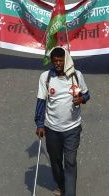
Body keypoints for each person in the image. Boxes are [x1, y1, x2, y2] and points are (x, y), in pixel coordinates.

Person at [35, 47, 90, 196]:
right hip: (52, 129)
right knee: (55, 161)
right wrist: (40, 124)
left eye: (61, 60)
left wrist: (81, 99)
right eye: (55, 61)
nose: (58, 63)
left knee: (70, 162)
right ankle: (61, 184)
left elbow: (86, 94)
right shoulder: (46, 78)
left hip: (72, 128)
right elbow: (41, 102)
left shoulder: (76, 76)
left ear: (66, 60)